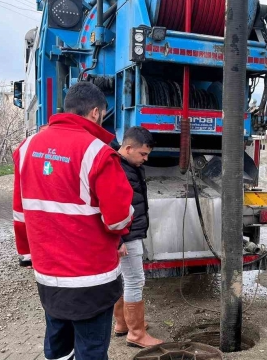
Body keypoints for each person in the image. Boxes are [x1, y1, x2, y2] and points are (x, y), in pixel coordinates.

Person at [12, 81, 134, 359]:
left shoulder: (27, 147)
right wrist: (128, 220)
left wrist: (27, 253)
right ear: (95, 113)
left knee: (58, 347)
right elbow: (117, 220)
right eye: (102, 113)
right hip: (91, 278)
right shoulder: (98, 153)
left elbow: (20, 212)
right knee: (91, 350)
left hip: (48, 274)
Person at [112, 126, 163, 348]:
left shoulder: (126, 165)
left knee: (124, 279)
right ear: (128, 148)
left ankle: (123, 324)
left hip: (128, 233)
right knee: (135, 280)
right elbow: (109, 206)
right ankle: (137, 334)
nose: (146, 158)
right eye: (143, 154)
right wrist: (119, 239)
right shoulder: (117, 169)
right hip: (127, 234)